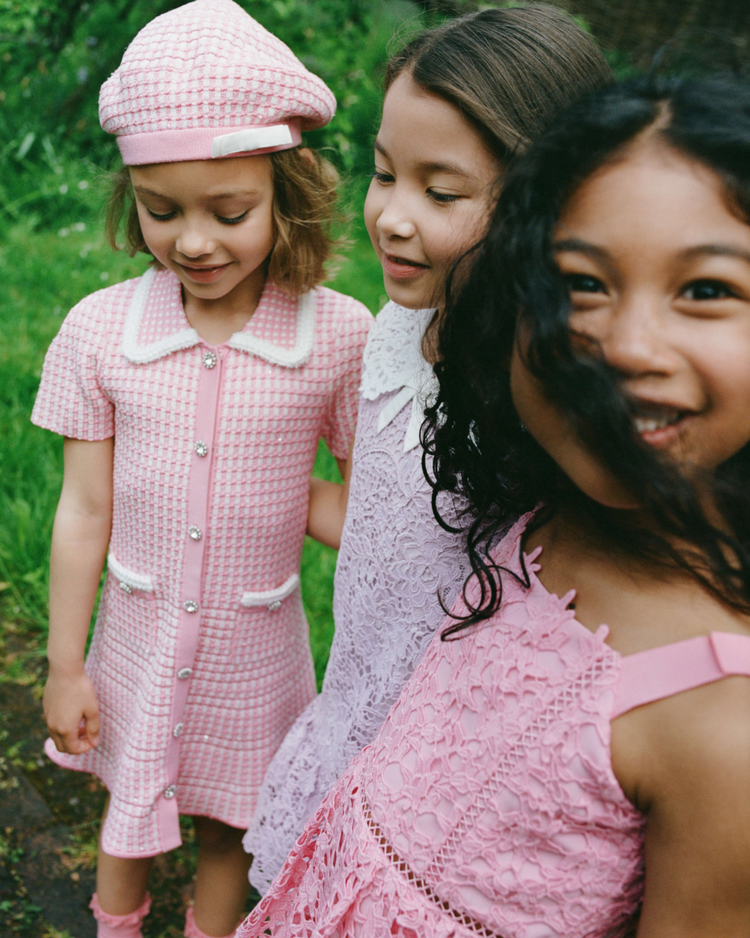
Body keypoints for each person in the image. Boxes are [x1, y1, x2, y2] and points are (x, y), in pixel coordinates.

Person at [236, 73, 750, 937]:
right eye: (581, 281)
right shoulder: (531, 524)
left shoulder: (721, 724)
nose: (625, 347)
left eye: (705, 290)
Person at [244, 3, 612, 891]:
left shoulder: (549, 409)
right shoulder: (393, 330)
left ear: (548, 203)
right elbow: (389, 519)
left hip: (448, 781)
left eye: (441, 193)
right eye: (382, 174)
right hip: (352, 705)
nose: (392, 218)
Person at [31, 2, 372, 936]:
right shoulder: (101, 332)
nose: (192, 241)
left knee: (234, 825)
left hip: (254, 653)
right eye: (160, 210)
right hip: (136, 638)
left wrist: (299, 499)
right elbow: (82, 508)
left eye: (231, 213)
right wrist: (66, 667)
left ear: (287, 196)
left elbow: (370, 507)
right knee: (130, 807)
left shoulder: (337, 334)